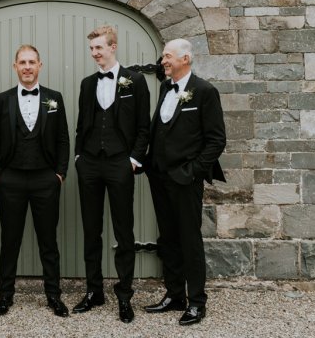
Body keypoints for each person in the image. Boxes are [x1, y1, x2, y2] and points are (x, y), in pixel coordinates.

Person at [143, 38, 226, 326]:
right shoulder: (166, 87)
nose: (162, 61)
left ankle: (197, 302)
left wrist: (192, 171)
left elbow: (216, 140)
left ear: (185, 59)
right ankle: (175, 294)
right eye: (163, 56)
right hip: (160, 177)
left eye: (167, 56)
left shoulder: (204, 91)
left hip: (185, 179)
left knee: (189, 239)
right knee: (168, 239)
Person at [73, 26, 150, 323]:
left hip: (120, 162)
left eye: (99, 48)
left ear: (113, 47)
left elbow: (144, 126)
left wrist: (132, 159)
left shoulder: (136, 81)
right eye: (92, 49)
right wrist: (79, 156)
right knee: (91, 231)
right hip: (90, 163)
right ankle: (94, 291)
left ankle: (124, 295)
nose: (94, 53)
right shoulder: (86, 83)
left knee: (123, 230)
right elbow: (82, 124)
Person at [0, 45, 70, 318]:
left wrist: (59, 173)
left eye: (31, 62)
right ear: (15, 66)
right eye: (22, 62)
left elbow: (62, 139)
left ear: (40, 65)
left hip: (46, 179)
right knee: (10, 240)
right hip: (10, 179)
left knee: (48, 241)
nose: (27, 67)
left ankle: (54, 296)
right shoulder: (2, 99)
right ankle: (5, 296)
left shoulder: (54, 98)